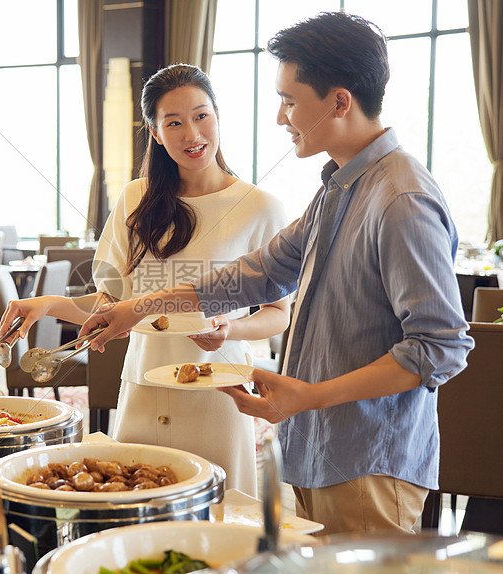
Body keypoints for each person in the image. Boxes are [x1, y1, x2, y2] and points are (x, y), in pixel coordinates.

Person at [78, 12, 474, 535]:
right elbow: (253, 276)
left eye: (289, 100)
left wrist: (307, 395)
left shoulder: (400, 198)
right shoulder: (340, 187)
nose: (281, 117)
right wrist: (140, 306)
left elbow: (439, 348)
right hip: (315, 449)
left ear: (338, 101)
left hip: (366, 460)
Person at [1, 64, 290, 495]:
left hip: (217, 390)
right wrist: (47, 304)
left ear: (217, 116)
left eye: (201, 116)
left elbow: (278, 314)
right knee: (134, 500)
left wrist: (232, 327)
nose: (192, 134)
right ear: (155, 132)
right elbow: (112, 302)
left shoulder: (260, 206)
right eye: (174, 122)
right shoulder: (136, 198)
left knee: (217, 514)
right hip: (143, 385)